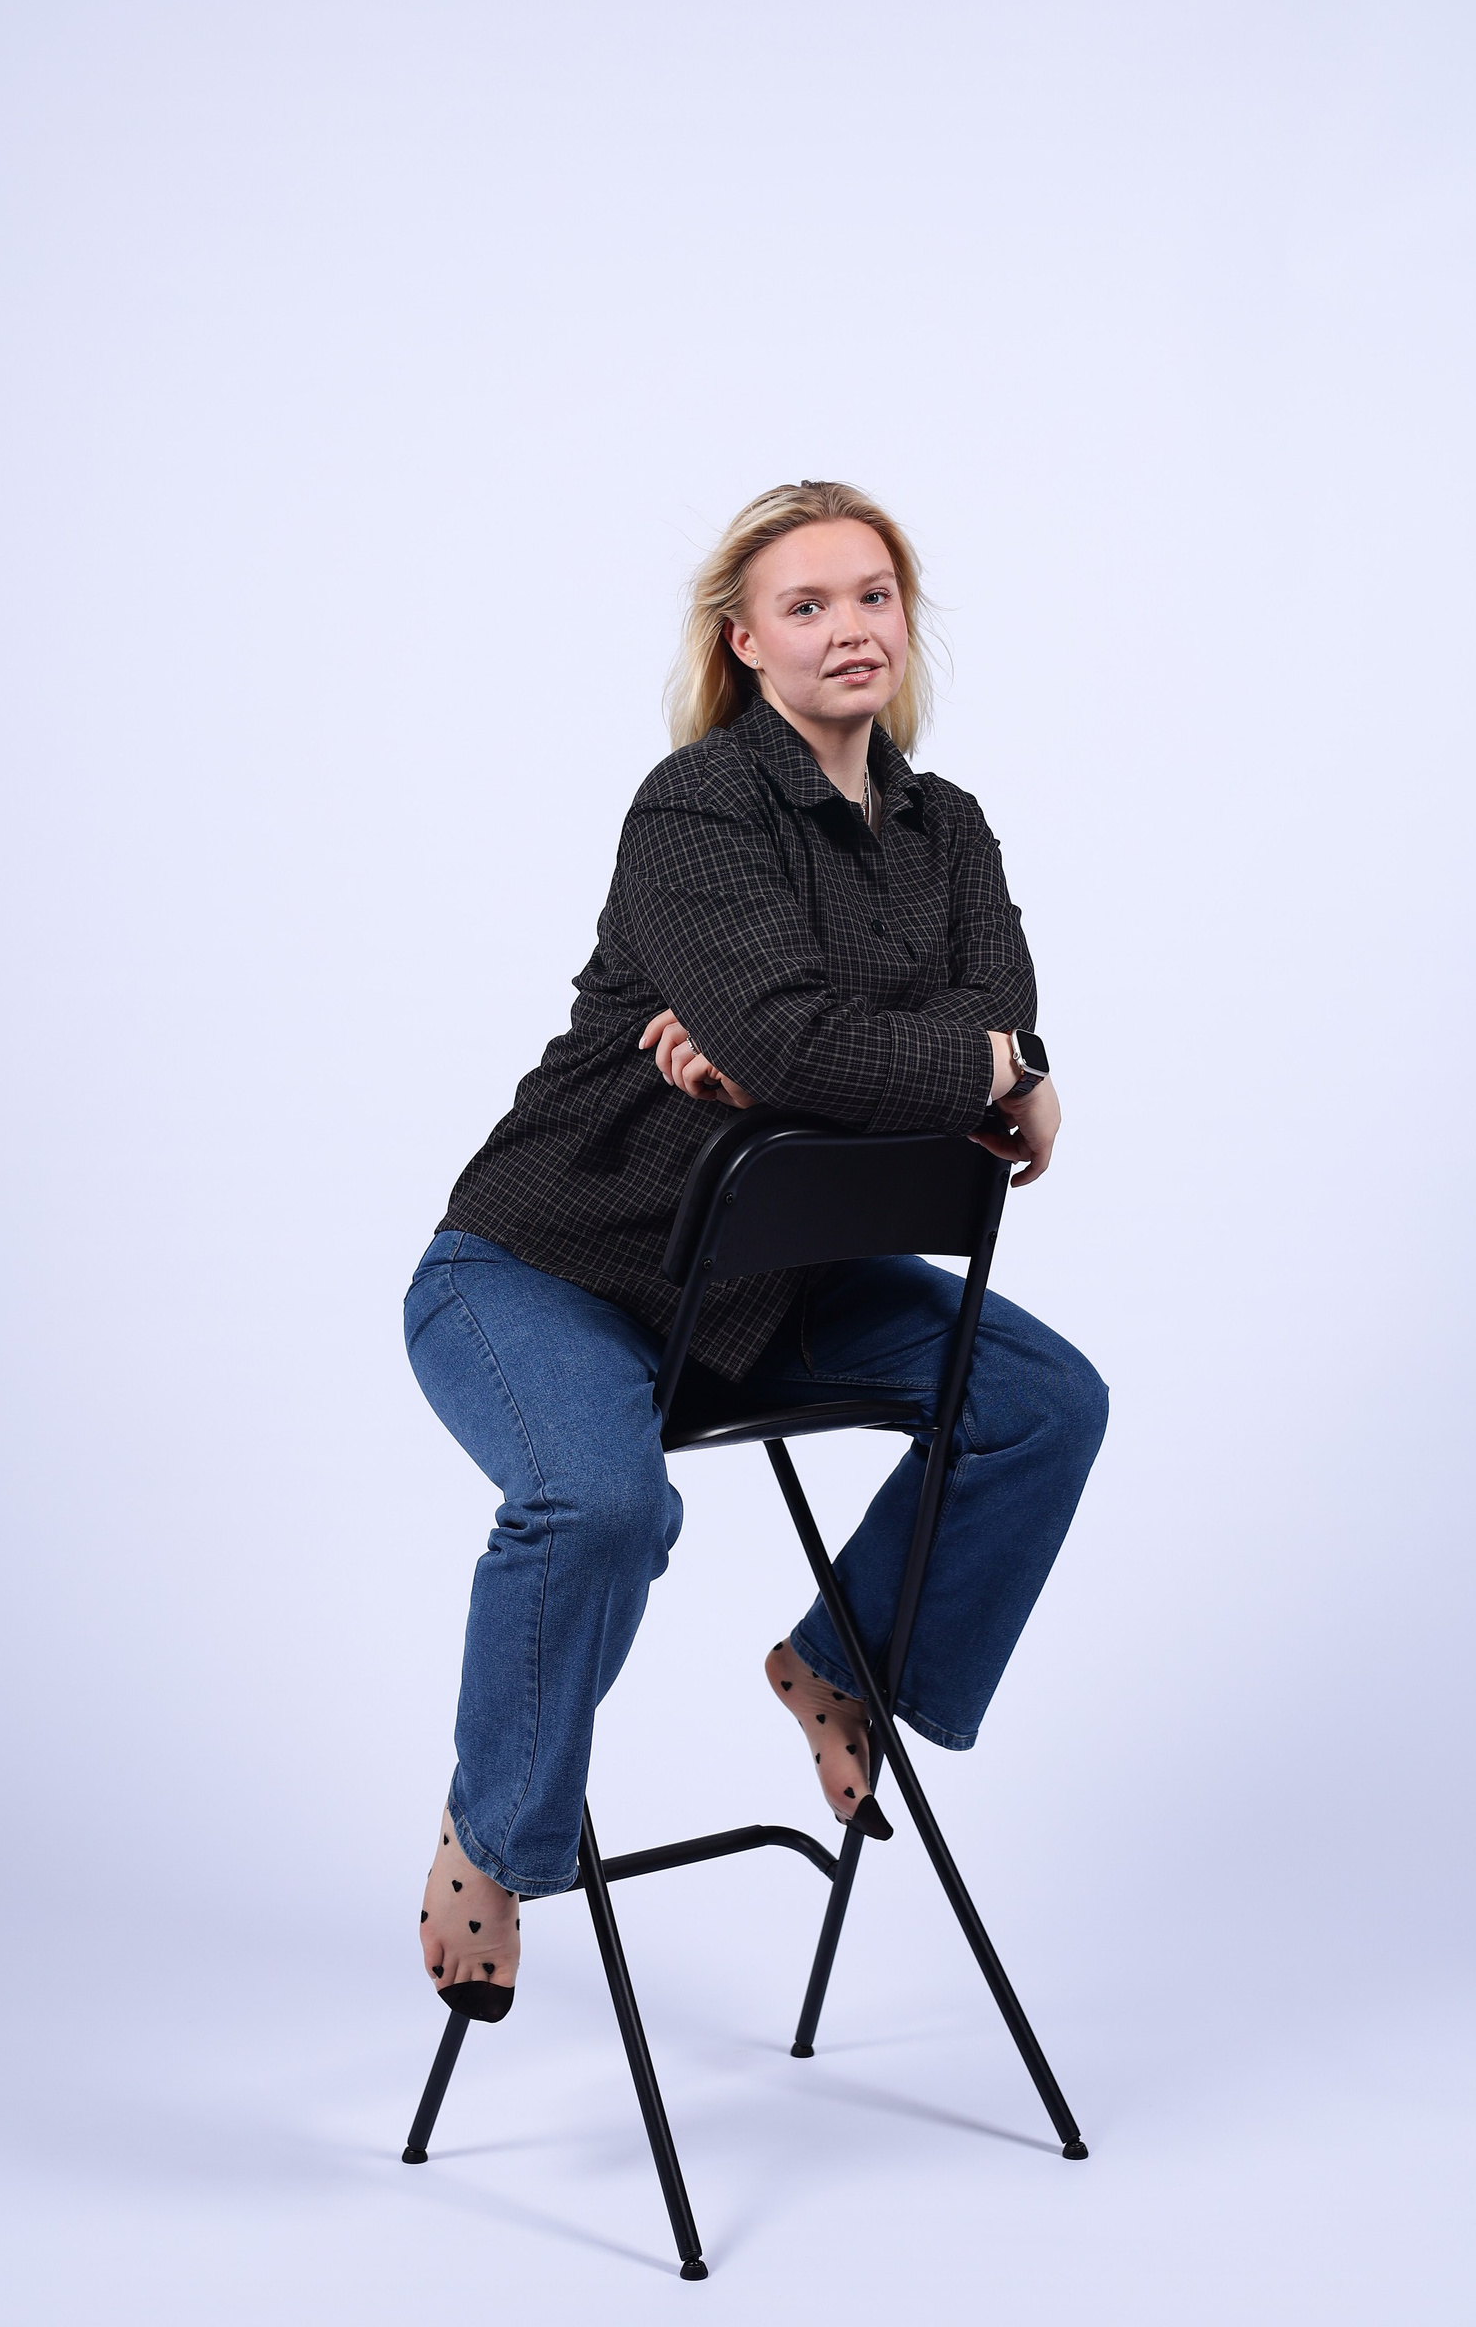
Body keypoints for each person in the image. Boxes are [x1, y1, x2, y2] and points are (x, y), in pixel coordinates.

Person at [403, 479, 1108, 2019]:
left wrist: (859, 1064)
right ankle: (493, 1838)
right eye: (808, 604)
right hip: (549, 1271)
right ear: (745, 641)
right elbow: (866, 1048)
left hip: (767, 1278)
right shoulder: (699, 811)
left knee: (1044, 1404)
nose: (850, 627)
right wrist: (957, 1066)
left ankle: (842, 1661)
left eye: (873, 594)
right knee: (602, 1505)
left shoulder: (948, 831)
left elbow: (956, 1028)